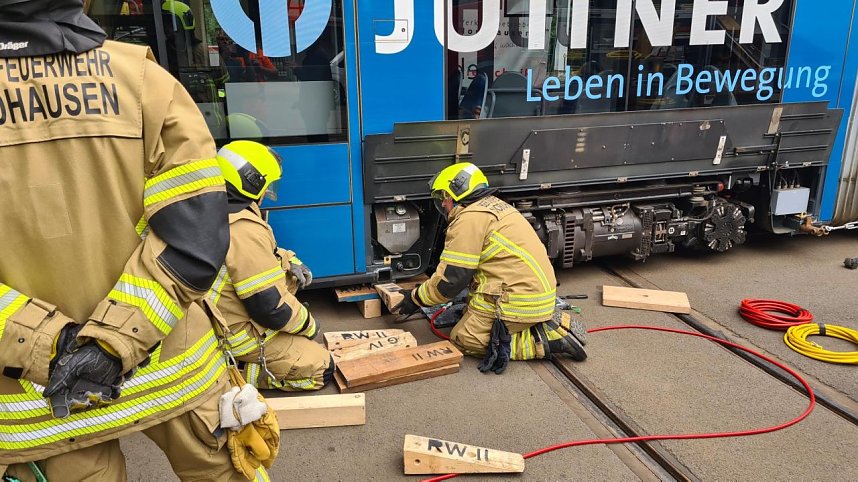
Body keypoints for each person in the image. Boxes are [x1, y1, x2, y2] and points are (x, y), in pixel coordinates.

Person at [0, 1, 264, 480]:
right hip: (171, 369)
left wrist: (55, 347)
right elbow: (194, 239)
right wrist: (109, 345)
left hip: (39, 398)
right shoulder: (143, 81)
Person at [394, 163, 588, 374]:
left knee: (464, 338)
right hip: (536, 295)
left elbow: (451, 280)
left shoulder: (467, 219)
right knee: (468, 314)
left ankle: (542, 340)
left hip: (519, 302)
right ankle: (541, 321)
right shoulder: (495, 206)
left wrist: (415, 298)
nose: (443, 203)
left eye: (444, 196)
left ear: (456, 193)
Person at [210, 140, 334, 391]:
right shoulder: (243, 229)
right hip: (235, 333)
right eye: (266, 185)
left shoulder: (222, 210)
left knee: (289, 284)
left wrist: (292, 262)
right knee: (322, 367)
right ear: (251, 181)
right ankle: (236, 374)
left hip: (221, 314)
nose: (267, 192)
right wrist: (309, 327)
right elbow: (269, 307)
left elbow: (270, 254)